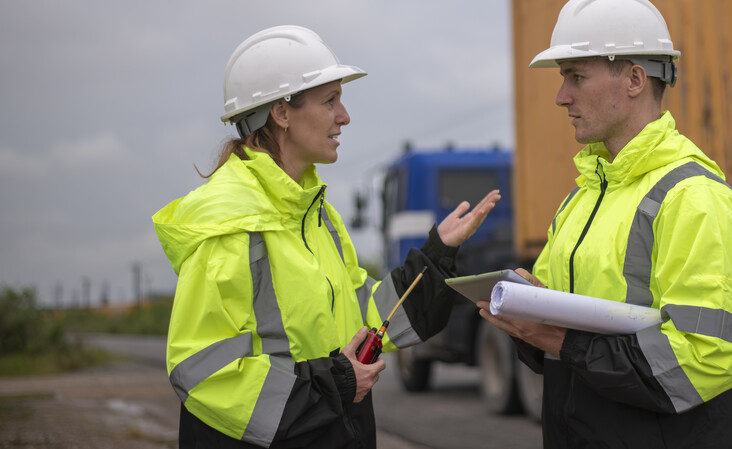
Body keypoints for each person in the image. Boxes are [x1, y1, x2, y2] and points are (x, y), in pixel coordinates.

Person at [153, 25, 501, 449]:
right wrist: (335, 385)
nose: (344, 116)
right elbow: (205, 372)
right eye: (330, 100)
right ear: (281, 113)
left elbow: (365, 317)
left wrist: (436, 253)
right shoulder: (230, 223)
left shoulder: (317, 215)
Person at [476, 1, 732, 447]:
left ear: (634, 80)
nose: (561, 96)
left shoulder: (696, 199)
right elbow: (557, 349)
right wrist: (527, 318)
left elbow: (704, 360)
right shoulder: (580, 201)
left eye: (576, 77)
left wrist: (564, 340)